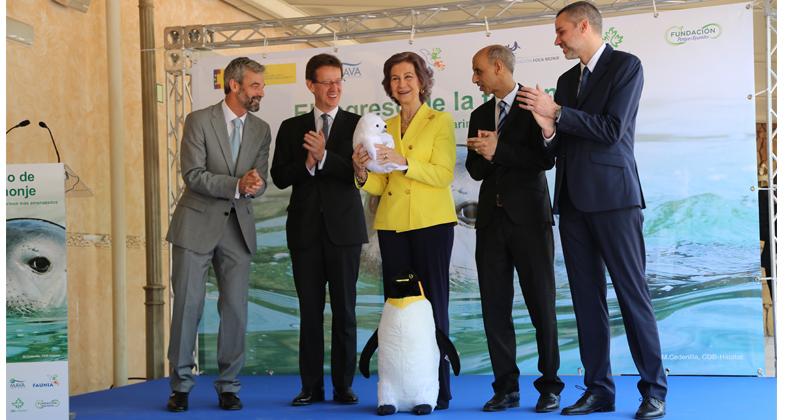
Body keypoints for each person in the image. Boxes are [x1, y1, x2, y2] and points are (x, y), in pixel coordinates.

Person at [518, 2, 667, 419]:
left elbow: (612, 130)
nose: (557, 39)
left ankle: (654, 390)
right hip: (571, 201)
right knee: (586, 301)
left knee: (631, 294)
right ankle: (599, 389)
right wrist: (548, 129)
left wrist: (558, 114)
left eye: (562, 30)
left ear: (584, 26)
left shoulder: (626, 66)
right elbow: (558, 147)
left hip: (615, 199)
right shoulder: (566, 80)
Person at [352, 51, 457, 410]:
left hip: (432, 224)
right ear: (389, 86)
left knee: (433, 308)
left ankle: (438, 389)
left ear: (422, 80)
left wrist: (405, 162)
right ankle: (396, 391)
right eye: (395, 78)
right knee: (396, 310)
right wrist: (362, 174)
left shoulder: (440, 122)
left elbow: (443, 175)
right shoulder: (384, 127)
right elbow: (381, 188)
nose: (402, 84)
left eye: (408, 76)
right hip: (393, 225)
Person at [165, 57, 271, 412]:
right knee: (187, 308)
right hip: (195, 226)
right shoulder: (198, 121)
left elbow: (261, 180)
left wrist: (254, 186)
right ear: (234, 85)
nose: (261, 92)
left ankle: (229, 386)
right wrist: (237, 184)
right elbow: (192, 174)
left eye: (261, 85)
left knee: (236, 311)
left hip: (237, 229)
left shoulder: (261, 129)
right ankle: (180, 386)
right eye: (255, 85)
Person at [465, 45, 564, 413]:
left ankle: (550, 386)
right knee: (495, 308)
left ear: (498, 66)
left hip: (530, 223)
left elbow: (545, 159)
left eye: (478, 71)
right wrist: (485, 154)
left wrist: (499, 149)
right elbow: (476, 170)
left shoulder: (532, 104)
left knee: (542, 306)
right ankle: (505, 387)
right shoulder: (478, 113)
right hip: (490, 223)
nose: (475, 78)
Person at [270, 53, 368, 407]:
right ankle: (310, 387)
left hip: (345, 232)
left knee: (345, 312)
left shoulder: (358, 124)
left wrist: (326, 157)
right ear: (310, 85)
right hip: (305, 233)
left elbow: (359, 174)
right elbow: (280, 177)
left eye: (338, 80)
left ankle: (344, 386)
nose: (333, 88)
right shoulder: (291, 128)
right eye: (325, 82)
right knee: (310, 313)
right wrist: (308, 162)